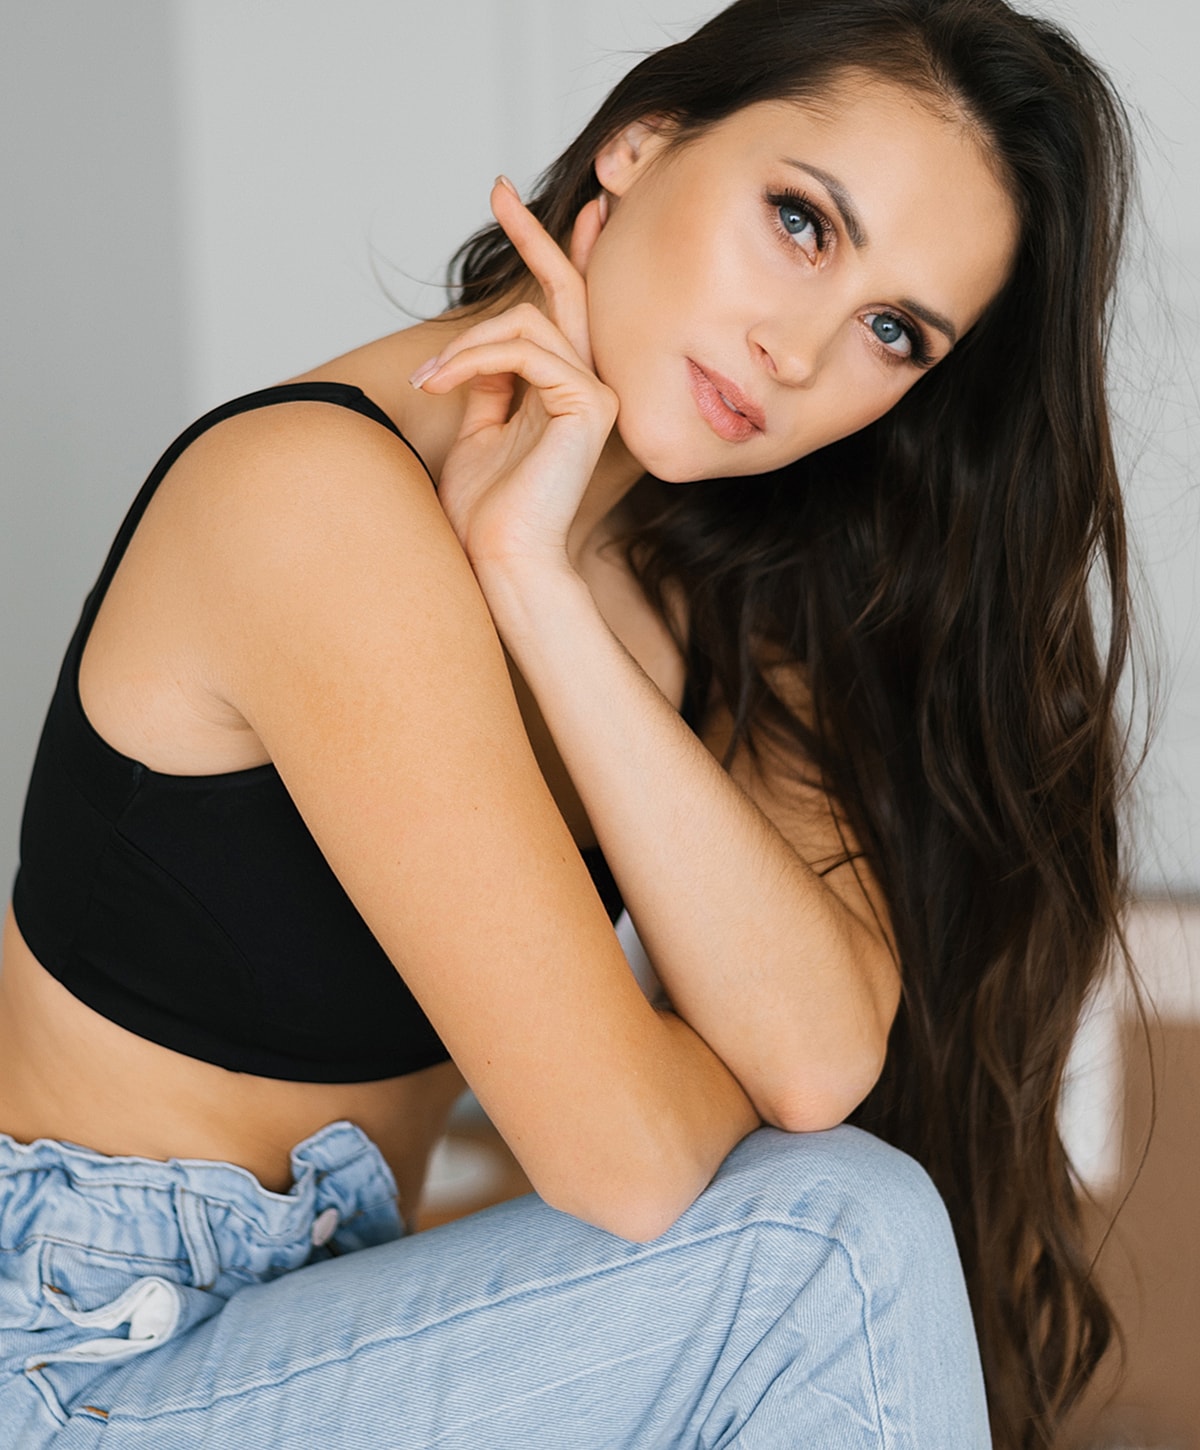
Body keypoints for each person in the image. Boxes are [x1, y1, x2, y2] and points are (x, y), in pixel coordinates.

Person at [0, 0, 1136, 1445]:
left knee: (839, 1221)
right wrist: (653, 1062)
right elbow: (630, 1160)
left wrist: (533, 582)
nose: (799, 353)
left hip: (298, 1327)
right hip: (69, 1362)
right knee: (827, 1247)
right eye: (801, 222)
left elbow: (815, 1050)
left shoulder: (715, 590)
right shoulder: (312, 502)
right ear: (640, 144)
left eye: (894, 331)